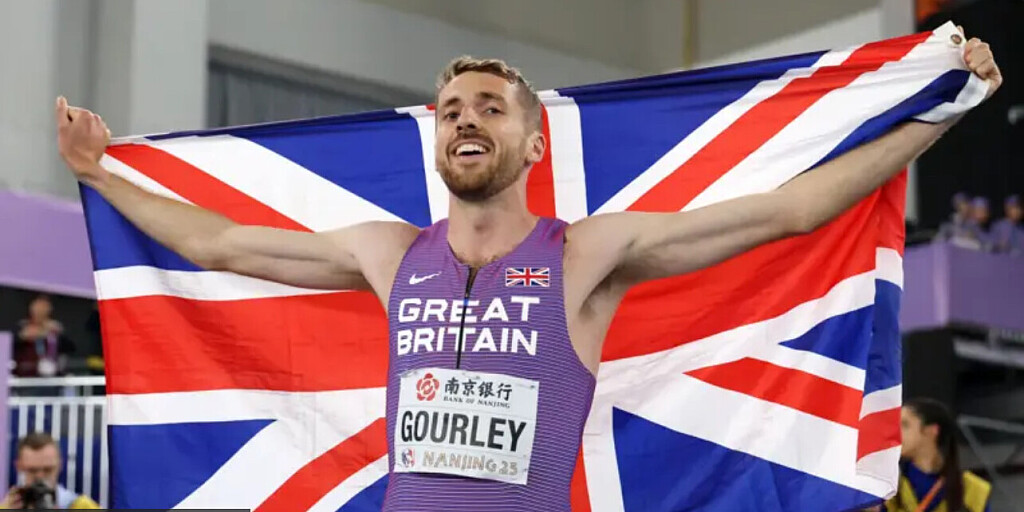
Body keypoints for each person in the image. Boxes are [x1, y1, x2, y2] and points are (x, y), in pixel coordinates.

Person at [54, 34, 1001, 511]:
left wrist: (943, 113)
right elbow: (221, 246)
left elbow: (787, 212)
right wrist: (99, 173)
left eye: (489, 107)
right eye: (451, 110)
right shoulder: (388, 254)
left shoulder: (587, 254)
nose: (466, 118)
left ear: (533, 142)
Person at [885, 398, 992, 512]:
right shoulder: (886, 486)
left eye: (905, 425)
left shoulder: (974, 490)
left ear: (932, 431)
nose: (896, 433)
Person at [0, 433, 100, 509]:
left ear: (60, 465)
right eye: (32, 470)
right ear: (19, 466)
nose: (40, 476)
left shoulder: (80, 506)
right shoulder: (8, 506)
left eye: (48, 470)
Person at [14, 295, 71, 378]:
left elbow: (69, 347)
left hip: (52, 372)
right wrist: (23, 336)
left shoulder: (55, 327)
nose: (40, 310)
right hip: (26, 373)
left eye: (44, 307)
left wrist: (59, 332)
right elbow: (12, 343)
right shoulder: (22, 326)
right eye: (38, 306)